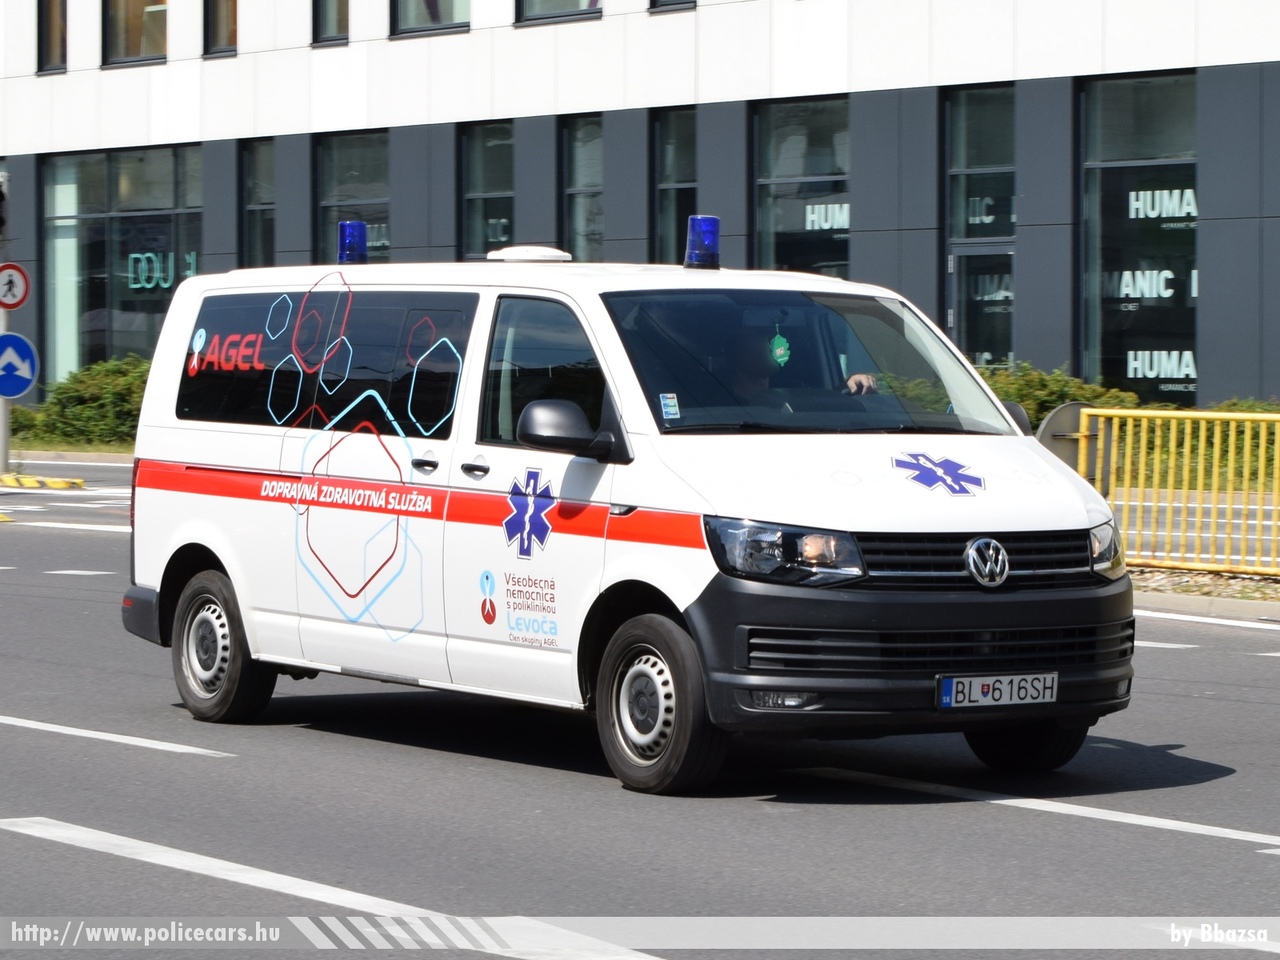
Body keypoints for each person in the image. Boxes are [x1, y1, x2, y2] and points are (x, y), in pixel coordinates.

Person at [724, 328, 877, 403]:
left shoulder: (792, 388)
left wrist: (849, 382)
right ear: (737, 360)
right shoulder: (721, 399)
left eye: (769, 349)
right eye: (758, 352)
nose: (769, 355)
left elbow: (824, 398)